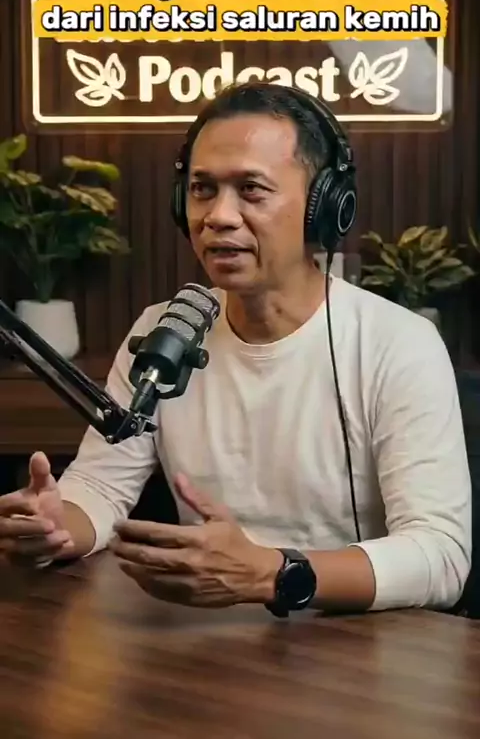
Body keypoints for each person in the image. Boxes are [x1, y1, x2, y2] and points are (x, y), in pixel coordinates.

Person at [0, 82, 472, 617]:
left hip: (363, 648)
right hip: (208, 644)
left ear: (323, 208)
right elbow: (100, 487)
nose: (219, 216)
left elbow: (440, 556)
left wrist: (272, 574)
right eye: (202, 189)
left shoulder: (399, 344)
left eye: (251, 190)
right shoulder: (166, 331)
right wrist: (55, 525)